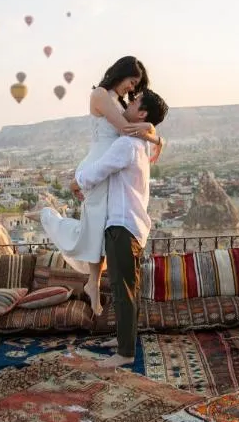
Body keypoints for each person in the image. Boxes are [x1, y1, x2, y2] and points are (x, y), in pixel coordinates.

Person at [33, 56, 164, 316]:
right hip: (98, 165)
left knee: (100, 225)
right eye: (132, 81)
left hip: (108, 166)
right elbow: (127, 129)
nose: (132, 88)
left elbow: (130, 129)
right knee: (93, 226)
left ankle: (92, 283)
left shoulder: (118, 101)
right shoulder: (101, 94)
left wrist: (154, 134)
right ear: (122, 73)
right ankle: (52, 221)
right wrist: (155, 133)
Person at [70, 88, 168, 367]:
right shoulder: (141, 144)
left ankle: (125, 353)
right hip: (132, 225)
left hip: (122, 224)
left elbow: (98, 169)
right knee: (128, 288)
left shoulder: (127, 145)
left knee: (122, 289)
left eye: (135, 101)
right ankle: (124, 339)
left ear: (142, 112)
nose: (129, 102)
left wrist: (75, 181)